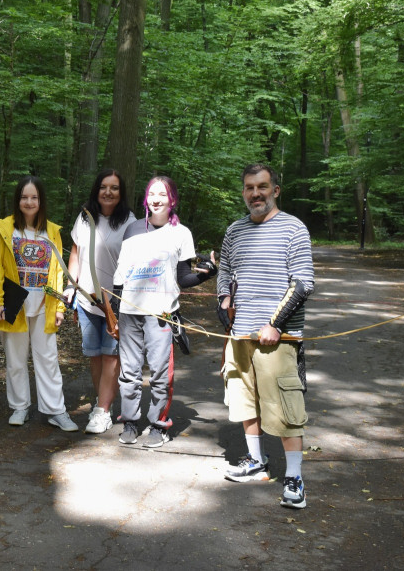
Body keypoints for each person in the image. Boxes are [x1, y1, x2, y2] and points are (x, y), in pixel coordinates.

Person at [218, 163, 314, 509]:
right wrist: (224, 299)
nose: (255, 193)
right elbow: (226, 269)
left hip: (278, 337)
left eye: (262, 187)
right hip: (240, 334)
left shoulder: (293, 228)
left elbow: (303, 282)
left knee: (287, 409)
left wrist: (275, 323)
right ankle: (257, 463)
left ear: (275, 190)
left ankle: (294, 478)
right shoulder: (234, 230)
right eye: (248, 187)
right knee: (245, 400)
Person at [110, 176, 215, 448]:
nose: (157, 199)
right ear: (146, 198)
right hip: (129, 312)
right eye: (152, 193)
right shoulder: (133, 230)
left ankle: (158, 424)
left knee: (159, 371)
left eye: (163, 194)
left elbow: (184, 277)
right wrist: (114, 305)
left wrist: (206, 276)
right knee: (129, 371)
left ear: (172, 199)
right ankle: (130, 422)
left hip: (162, 314)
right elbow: (120, 275)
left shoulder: (181, 233)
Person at [0, 176, 76, 431]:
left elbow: (58, 271)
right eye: (24, 197)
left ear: (41, 201)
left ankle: (55, 410)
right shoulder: (4, 229)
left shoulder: (52, 231)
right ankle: (20, 406)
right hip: (13, 300)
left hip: (44, 302)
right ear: (18, 200)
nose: (28, 202)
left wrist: (59, 306)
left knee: (48, 358)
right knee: (15, 359)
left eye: (34, 197)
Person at [66, 169, 135, 434]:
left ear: (121, 192)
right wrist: (71, 288)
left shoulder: (131, 221)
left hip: (116, 303)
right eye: (104, 187)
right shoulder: (84, 218)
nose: (108, 192)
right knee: (94, 356)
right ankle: (101, 402)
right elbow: (75, 253)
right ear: (97, 190)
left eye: (114, 188)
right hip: (86, 299)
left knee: (111, 357)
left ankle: (103, 410)